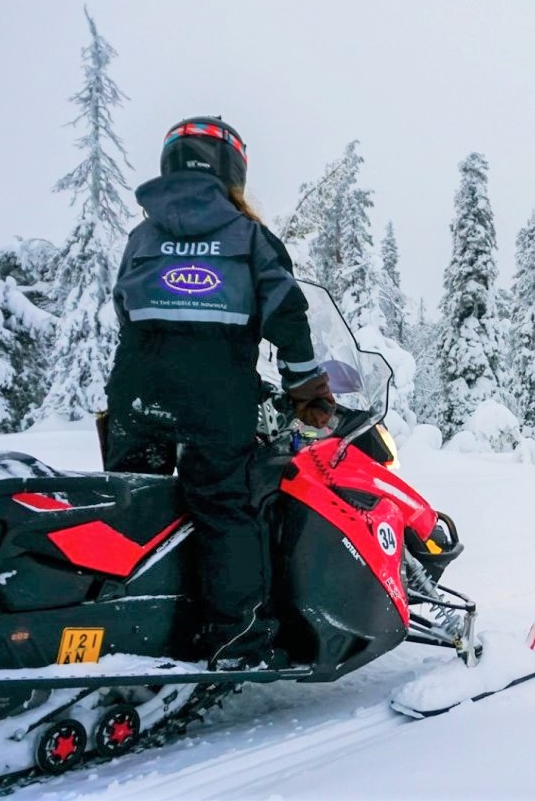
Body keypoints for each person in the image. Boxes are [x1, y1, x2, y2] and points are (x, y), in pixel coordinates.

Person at [105, 116, 335, 670]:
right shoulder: (248, 237)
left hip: (136, 402)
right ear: (232, 170)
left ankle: (121, 627)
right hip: (214, 407)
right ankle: (239, 642)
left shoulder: (142, 238)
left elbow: (128, 314)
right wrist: (309, 396)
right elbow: (288, 318)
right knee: (226, 511)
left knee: (135, 512)